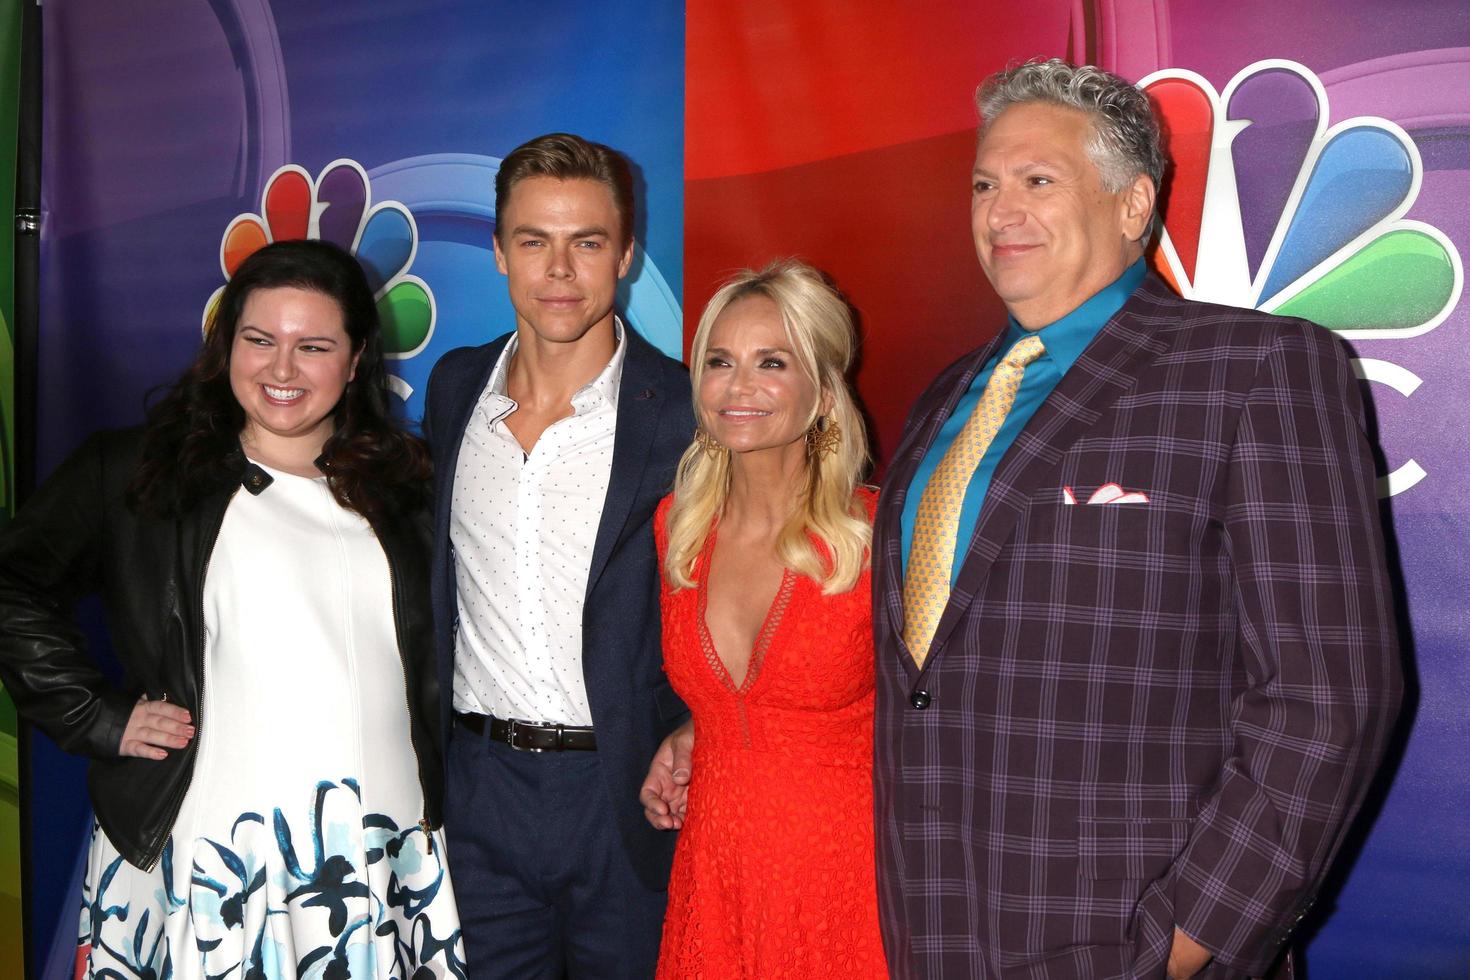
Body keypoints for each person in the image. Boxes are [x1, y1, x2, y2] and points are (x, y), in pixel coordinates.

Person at [870, 59, 1403, 979]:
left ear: (1132, 206)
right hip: (934, 930)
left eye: (1039, 181)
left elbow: (1330, 696)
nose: (1001, 212)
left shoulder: (1255, 369)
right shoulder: (942, 401)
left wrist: (1185, 944)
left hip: (1132, 940)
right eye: (986, 185)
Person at [0, 239, 462, 978]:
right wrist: (96, 716)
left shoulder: (409, 489)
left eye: (312, 346)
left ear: (355, 358)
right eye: (259, 340)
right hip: (212, 854)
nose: (281, 369)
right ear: (225, 344)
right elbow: (12, 585)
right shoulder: (137, 470)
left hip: (376, 855)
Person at [422, 132, 694, 978]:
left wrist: (695, 726)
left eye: (587, 243)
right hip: (478, 792)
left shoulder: (688, 410)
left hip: (626, 793)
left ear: (626, 254)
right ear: (500, 252)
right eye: (534, 241)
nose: (560, 270)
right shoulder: (454, 387)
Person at [644, 260, 888, 977]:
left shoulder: (879, 535)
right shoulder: (678, 530)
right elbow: (746, 703)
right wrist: (694, 730)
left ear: (823, 392)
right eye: (718, 361)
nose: (737, 386)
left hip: (846, 883)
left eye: (771, 362)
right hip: (716, 878)